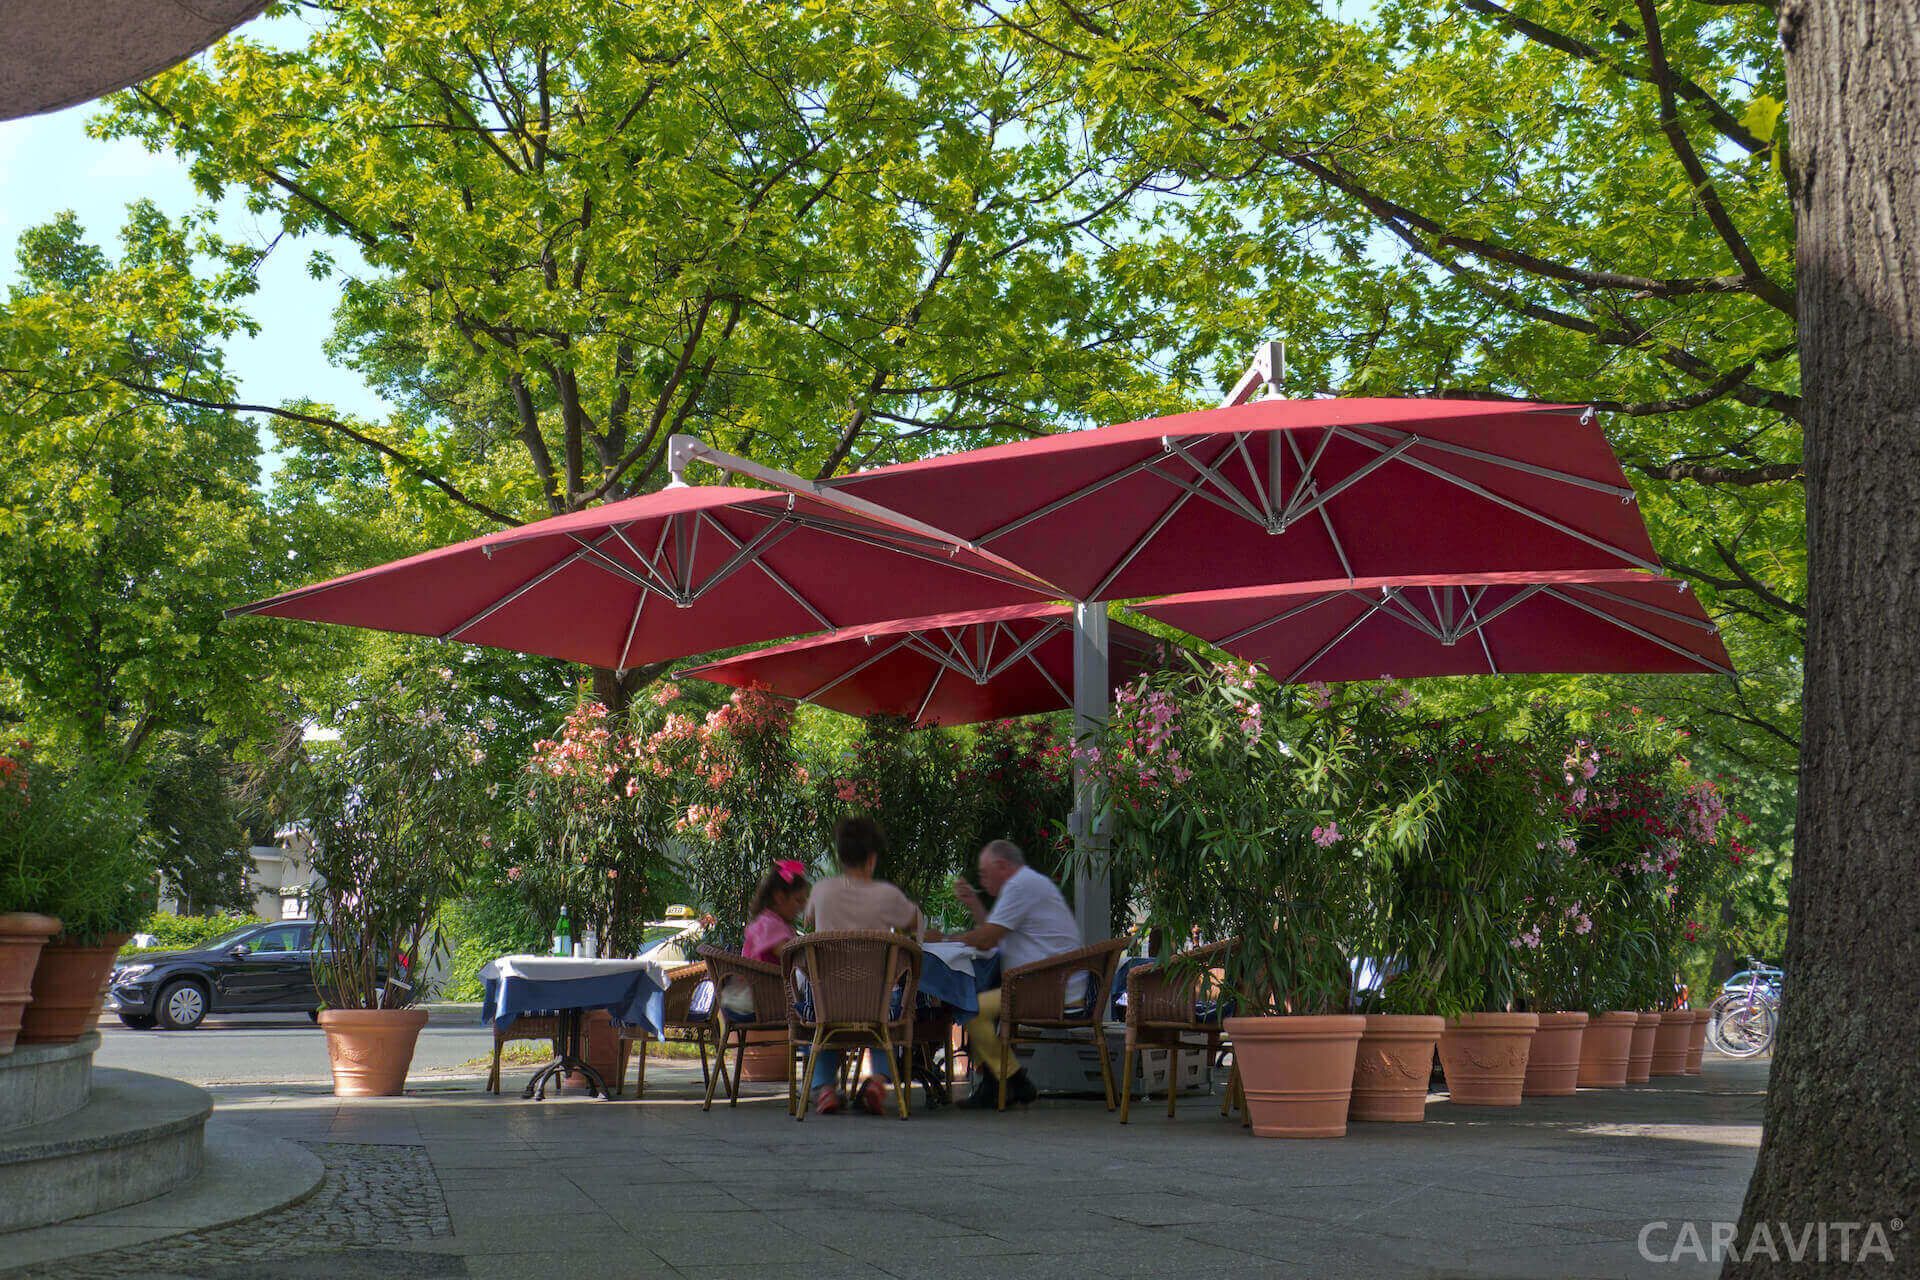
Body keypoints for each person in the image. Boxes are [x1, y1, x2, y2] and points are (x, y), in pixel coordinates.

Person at [930, 839, 1083, 1108]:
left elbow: (988, 939)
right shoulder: (1027, 884)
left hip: (1049, 991)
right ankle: (996, 1085)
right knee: (982, 997)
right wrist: (974, 903)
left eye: (985, 873)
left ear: (1002, 866)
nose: (982, 879)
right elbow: (995, 934)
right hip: (1049, 985)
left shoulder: (1019, 886)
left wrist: (942, 939)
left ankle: (1014, 1080)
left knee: (972, 1010)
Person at [799, 816, 923, 1115]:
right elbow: (915, 922)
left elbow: (807, 924)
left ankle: (825, 1087)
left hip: (828, 1006)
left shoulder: (821, 891)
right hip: (877, 1007)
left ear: (841, 857)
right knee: (888, 1005)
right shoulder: (888, 895)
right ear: (872, 857)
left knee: (815, 1014)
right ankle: (878, 1080)